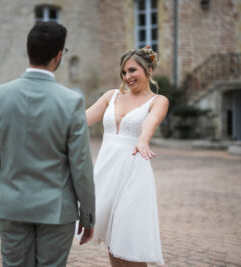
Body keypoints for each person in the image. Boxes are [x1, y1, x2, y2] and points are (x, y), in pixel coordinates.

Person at [0, 21, 95, 267]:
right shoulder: (71, 102)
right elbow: (81, 166)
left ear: (29, 50)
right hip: (56, 211)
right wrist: (87, 216)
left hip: (11, 206)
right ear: (58, 56)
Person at [86, 46, 168, 266]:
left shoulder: (158, 101)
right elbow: (79, 120)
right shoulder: (110, 96)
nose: (127, 77)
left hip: (133, 173)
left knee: (129, 240)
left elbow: (151, 122)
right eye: (124, 72)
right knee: (113, 242)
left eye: (132, 70)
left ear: (149, 69)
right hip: (106, 172)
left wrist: (143, 140)